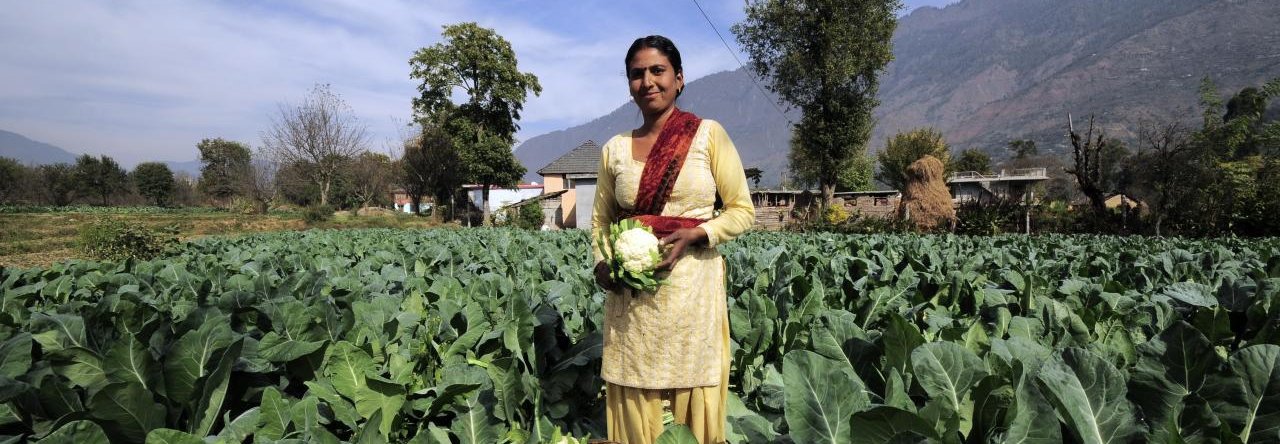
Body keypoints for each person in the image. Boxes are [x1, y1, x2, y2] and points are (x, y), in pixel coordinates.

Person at [591, 35, 754, 444]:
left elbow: (741, 210)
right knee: (635, 381)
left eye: (657, 71)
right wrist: (602, 266)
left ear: (679, 79)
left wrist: (699, 233)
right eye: (636, 74)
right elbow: (600, 221)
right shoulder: (614, 150)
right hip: (632, 301)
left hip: (691, 292)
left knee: (691, 384)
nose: (647, 81)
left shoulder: (707, 135)